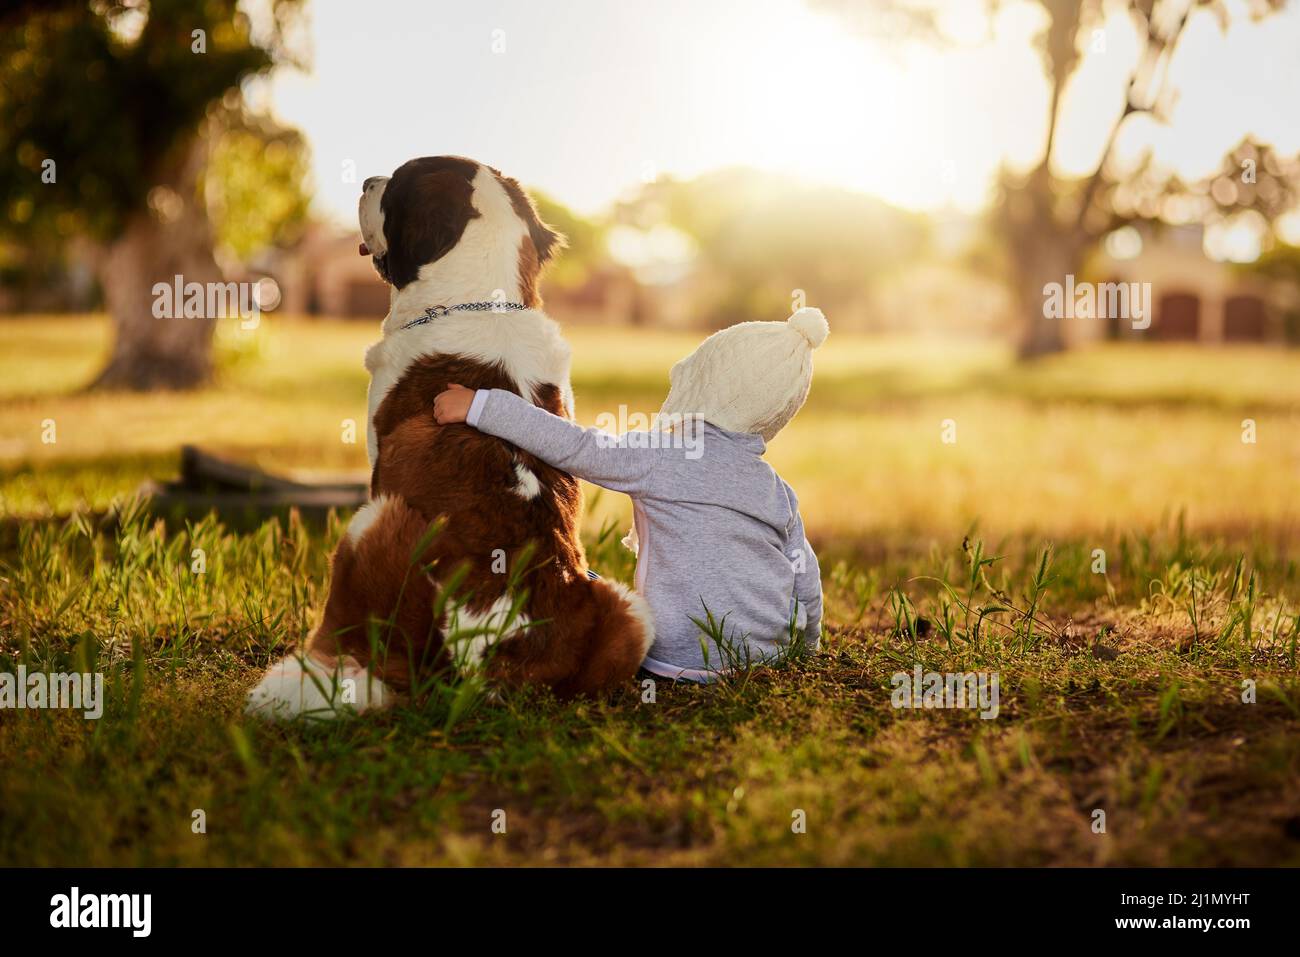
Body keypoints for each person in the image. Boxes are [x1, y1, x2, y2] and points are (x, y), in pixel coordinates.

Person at [433, 308, 829, 682]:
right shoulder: (777, 491)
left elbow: (575, 446)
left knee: (576, 581)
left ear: (707, 380)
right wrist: (805, 650)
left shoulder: (659, 456)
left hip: (676, 659)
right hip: (767, 659)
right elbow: (805, 579)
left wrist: (482, 405)